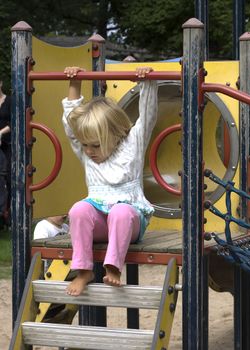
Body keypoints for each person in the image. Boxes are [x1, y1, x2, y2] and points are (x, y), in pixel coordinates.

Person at [62, 66, 157, 296]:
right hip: (99, 222)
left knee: (120, 212)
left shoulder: (132, 145)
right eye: (85, 144)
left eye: (95, 145)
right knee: (78, 210)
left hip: (129, 221)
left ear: (117, 136)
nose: (89, 151)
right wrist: (74, 82)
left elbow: (148, 116)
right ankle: (83, 270)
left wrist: (146, 82)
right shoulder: (87, 153)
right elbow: (71, 122)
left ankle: (113, 266)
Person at [0, 80, 11, 228]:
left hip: (7, 144)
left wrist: (0, 133)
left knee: (8, 179)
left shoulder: (10, 101)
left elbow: (14, 121)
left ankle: (6, 215)